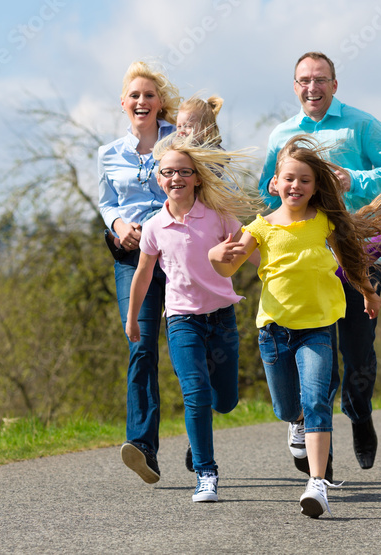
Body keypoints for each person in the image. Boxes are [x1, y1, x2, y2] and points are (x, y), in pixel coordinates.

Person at [210, 135, 381, 518]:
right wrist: (216, 255)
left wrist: (368, 292)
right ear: (275, 184)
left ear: (316, 187)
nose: (296, 186)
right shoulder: (260, 228)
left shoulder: (326, 222)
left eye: (305, 180)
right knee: (287, 406)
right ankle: (295, 422)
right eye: (289, 179)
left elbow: (350, 260)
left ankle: (317, 482)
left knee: (317, 400)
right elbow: (228, 268)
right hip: (274, 332)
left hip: (317, 329)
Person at [257, 52, 381, 471]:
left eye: (320, 79)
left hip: (357, 251)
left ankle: (359, 414)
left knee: (359, 352)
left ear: (334, 85)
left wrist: (354, 179)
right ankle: (313, 434)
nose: (313, 87)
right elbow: (267, 195)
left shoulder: (362, 124)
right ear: (295, 87)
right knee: (316, 352)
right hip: (305, 261)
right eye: (304, 80)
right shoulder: (281, 135)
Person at [125, 135, 260, 502]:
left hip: (221, 318)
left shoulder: (217, 216)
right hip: (182, 320)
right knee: (195, 394)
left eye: (184, 172)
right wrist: (132, 317)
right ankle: (206, 473)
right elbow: (142, 273)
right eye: (167, 172)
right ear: (158, 178)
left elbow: (251, 249)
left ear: (197, 177)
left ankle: (211, 421)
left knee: (226, 400)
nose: (175, 178)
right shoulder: (154, 227)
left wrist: (278, 277)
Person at [98, 60, 181, 484]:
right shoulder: (107, 154)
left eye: (149, 95)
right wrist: (118, 226)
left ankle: (200, 439)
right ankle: (143, 445)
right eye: (134, 95)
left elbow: (206, 179)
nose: (142, 101)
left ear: (160, 102)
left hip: (181, 252)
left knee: (193, 346)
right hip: (132, 259)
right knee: (141, 344)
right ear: (123, 103)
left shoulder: (180, 140)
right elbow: (107, 203)